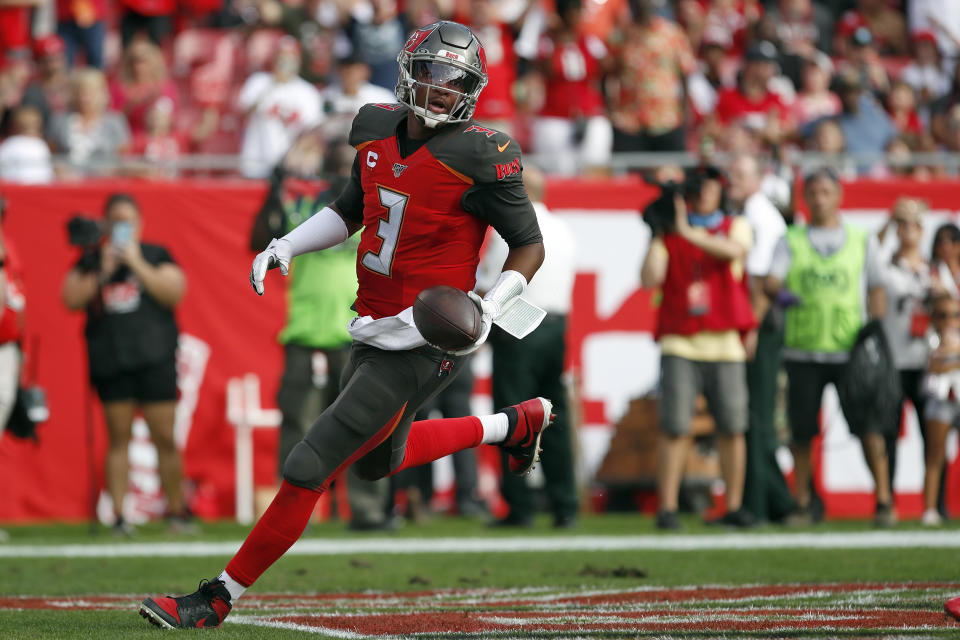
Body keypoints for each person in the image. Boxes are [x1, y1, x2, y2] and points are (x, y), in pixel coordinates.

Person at [139, 21, 550, 629]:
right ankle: (514, 425)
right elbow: (352, 208)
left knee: (312, 464)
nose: (441, 91)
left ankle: (216, 598)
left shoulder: (480, 155)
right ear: (411, 73)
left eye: (455, 81)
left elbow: (529, 246)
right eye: (434, 74)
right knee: (377, 461)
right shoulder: (376, 129)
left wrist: (488, 307)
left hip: (424, 336)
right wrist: (287, 244)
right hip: (373, 323)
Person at [765, 168, 893, 527]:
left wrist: (875, 331)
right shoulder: (790, 239)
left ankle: (884, 500)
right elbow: (772, 280)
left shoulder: (859, 238)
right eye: (813, 192)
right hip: (802, 350)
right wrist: (782, 294)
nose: (819, 199)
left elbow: (877, 287)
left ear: (839, 196)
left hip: (848, 350)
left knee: (867, 426)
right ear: (805, 199)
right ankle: (804, 503)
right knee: (802, 431)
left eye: (826, 192)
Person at [61, 193, 190, 536]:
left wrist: (135, 262)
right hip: (111, 360)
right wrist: (102, 269)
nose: (122, 227)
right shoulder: (93, 260)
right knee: (118, 438)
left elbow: (174, 291)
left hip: (155, 357)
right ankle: (118, 516)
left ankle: (178, 512)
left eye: (128, 220)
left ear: (139, 223)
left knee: (164, 436)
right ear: (105, 224)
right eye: (115, 220)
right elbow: (70, 298)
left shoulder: (154, 253)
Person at [641, 167, 757, 530]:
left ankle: (734, 505)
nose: (704, 193)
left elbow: (732, 252)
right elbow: (650, 278)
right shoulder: (670, 234)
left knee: (733, 427)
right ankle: (668, 507)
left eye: (710, 186)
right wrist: (657, 232)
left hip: (724, 342)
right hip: (681, 340)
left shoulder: (735, 225)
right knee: (675, 426)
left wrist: (686, 231)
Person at [479, 165, 579, 529]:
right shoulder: (563, 228)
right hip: (556, 326)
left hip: (519, 324)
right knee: (554, 417)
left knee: (512, 417)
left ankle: (520, 506)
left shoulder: (511, 228)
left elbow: (489, 286)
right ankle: (565, 504)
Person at [727, 154, 794, 524]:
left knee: (757, 414)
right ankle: (766, 499)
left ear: (758, 179)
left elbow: (761, 282)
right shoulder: (755, 212)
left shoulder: (757, 216)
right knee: (754, 413)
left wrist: (750, 329)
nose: (732, 179)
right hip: (759, 322)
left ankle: (770, 501)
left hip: (760, 325)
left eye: (740, 173)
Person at [876, 198, 936, 508]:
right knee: (888, 434)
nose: (908, 230)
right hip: (894, 361)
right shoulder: (887, 267)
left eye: (915, 224)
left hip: (927, 363)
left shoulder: (934, 270)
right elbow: (869, 253)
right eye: (903, 224)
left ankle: (933, 503)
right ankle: (887, 499)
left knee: (933, 435)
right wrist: (890, 218)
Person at [237, 36, 323, 179]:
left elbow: (313, 132)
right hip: (256, 164)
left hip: (290, 168)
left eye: (290, 59)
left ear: (299, 61)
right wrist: (272, 85)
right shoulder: (258, 81)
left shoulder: (308, 91)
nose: (285, 64)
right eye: (281, 58)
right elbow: (244, 114)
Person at [919, 292, 959, 527]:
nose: (950, 321)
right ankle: (930, 509)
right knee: (935, 455)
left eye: (955, 315)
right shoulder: (928, 338)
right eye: (943, 316)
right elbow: (935, 366)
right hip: (940, 400)